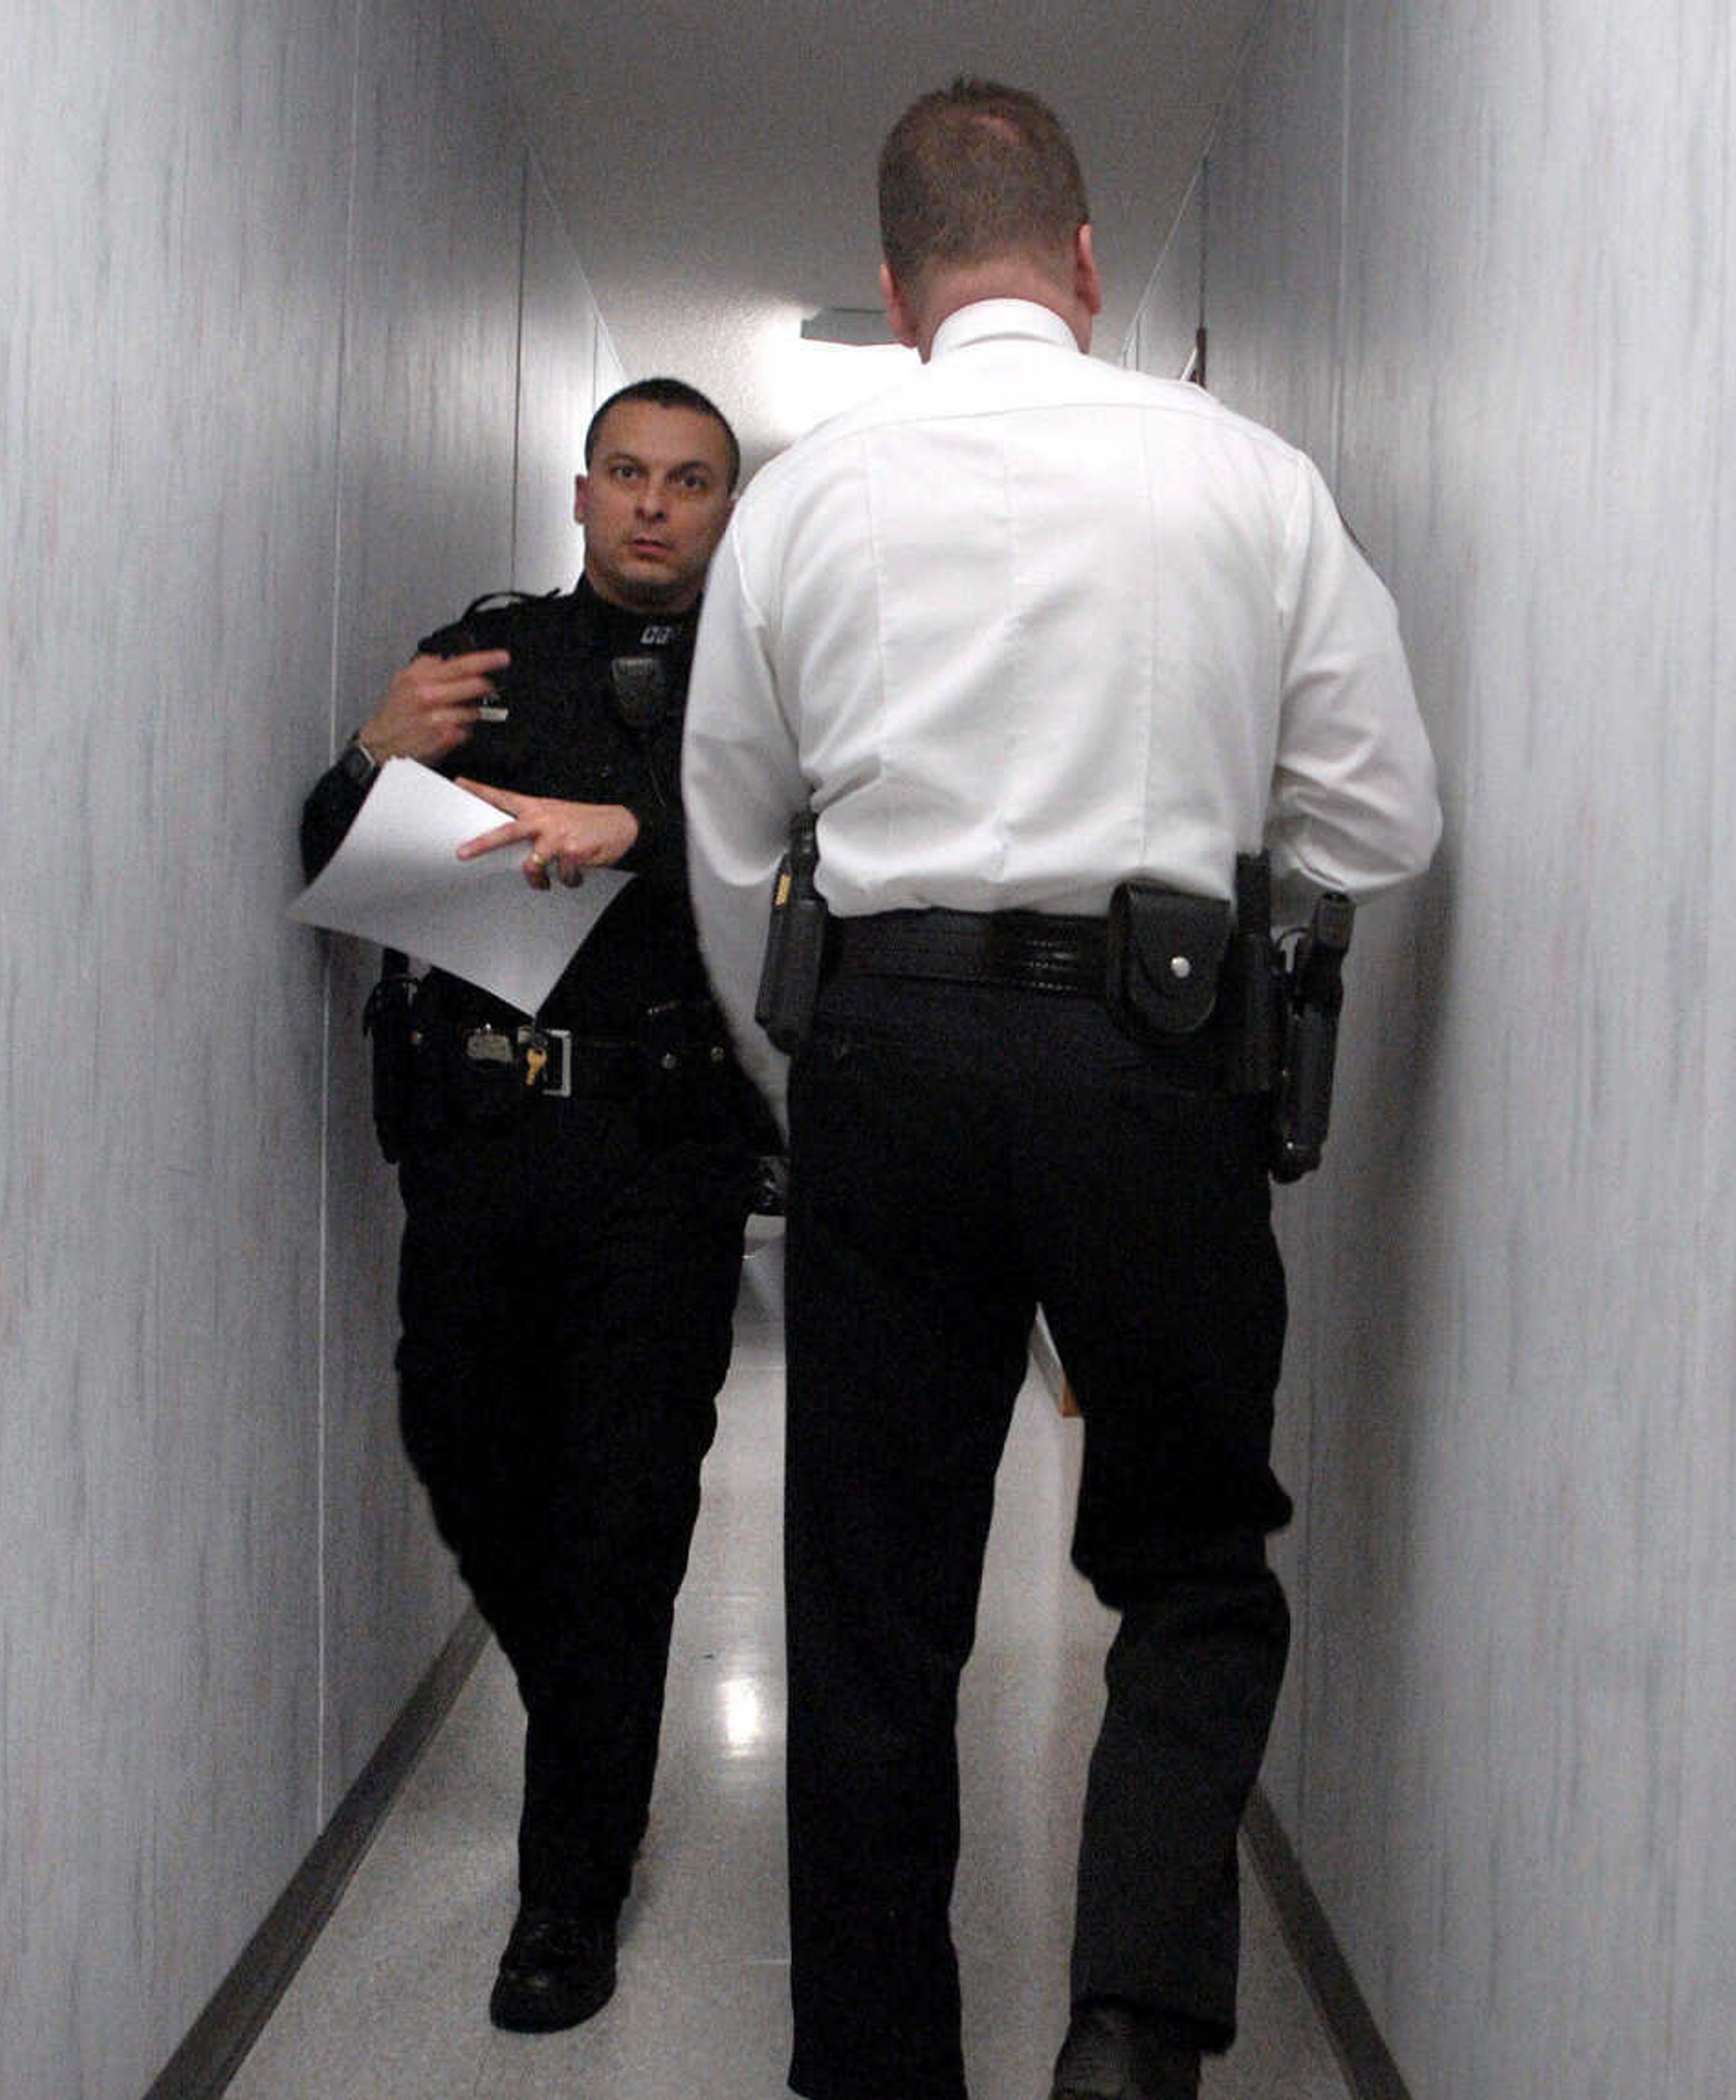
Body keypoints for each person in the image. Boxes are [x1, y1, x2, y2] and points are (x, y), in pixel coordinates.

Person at [680, 79, 1442, 2100]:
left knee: (871, 1619)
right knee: (1193, 1558)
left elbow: (727, 829)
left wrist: (807, 1065)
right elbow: (1386, 814)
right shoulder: (1245, 475)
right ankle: (1129, 2019)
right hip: (1148, 1052)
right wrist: (1200, 798)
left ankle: (875, 2073)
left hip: (884, 1051)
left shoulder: (805, 499)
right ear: (1091, 264)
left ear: (895, 285)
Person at [298, 377, 766, 2035]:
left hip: (666, 1156)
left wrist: (635, 833)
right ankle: (590, 1704)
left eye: (691, 481)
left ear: (731, 505)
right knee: (465, 1453)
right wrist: (371, 754)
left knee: (626, 1512)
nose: (654, 505)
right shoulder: (490, 658)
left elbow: (827, 870)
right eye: (627, 475)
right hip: (485, 1148)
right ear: (579, 496)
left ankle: (567, 1893)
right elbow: (337, 856)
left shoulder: (772, 688)